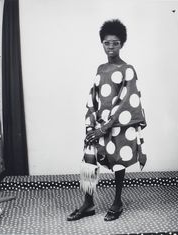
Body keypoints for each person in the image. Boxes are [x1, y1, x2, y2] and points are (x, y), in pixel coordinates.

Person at [67, 19, 147, 222]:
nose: (111, 47)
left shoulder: (128, 69)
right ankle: (88, 203)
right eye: (107, 43)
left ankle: (117, 202)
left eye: (115, 43)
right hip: (98, 124)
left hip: (118, 125)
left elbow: (128, 100)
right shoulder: (101, 68)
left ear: (122, 44)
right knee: (89, 160)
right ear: (102, 43)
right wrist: (92, 123)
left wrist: (107, 126)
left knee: (118, 161)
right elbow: (92, 97)